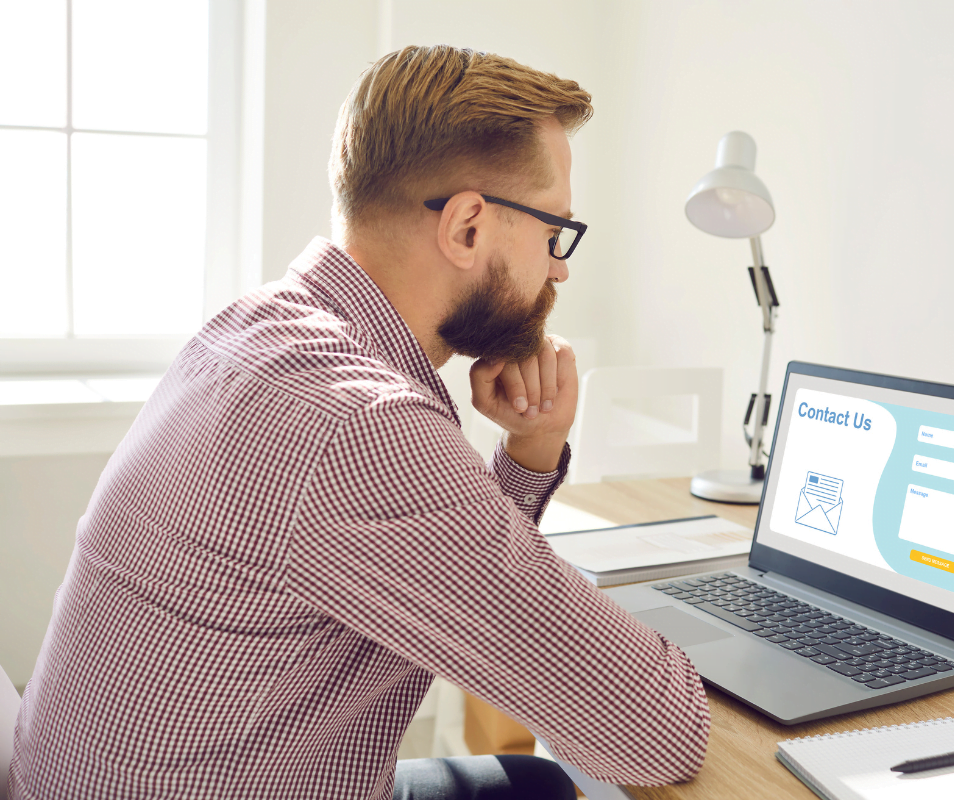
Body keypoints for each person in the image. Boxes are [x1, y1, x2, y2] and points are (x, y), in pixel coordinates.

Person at [7, 45, 710, 800]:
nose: (560, 269)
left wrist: (531, 450)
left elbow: (457, 591)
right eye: (554, 234)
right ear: (469, 227)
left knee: (535, 782)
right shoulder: (357, 426)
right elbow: (657, 731)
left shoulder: (254, 330)